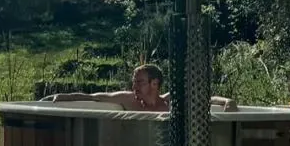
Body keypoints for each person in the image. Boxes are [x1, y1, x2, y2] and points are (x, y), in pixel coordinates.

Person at [44, 63, 237, 113]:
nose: (134, 86)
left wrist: (228, 101)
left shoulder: (171, 101)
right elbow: (95, 97)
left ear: (155, 84)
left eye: (139, 82)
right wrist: (62, 97)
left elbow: (205, 98)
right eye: (134, 81)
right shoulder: (128, 99)